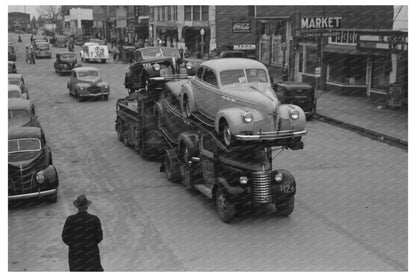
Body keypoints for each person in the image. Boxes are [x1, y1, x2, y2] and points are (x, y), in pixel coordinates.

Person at [62, 195, 104, 271]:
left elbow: (65, 237)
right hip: (91, 255)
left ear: (77, 207)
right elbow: (99, 238)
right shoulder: (94, 219)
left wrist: (74, 245)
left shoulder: (70, 220)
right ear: (87, 207)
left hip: (75, 256)